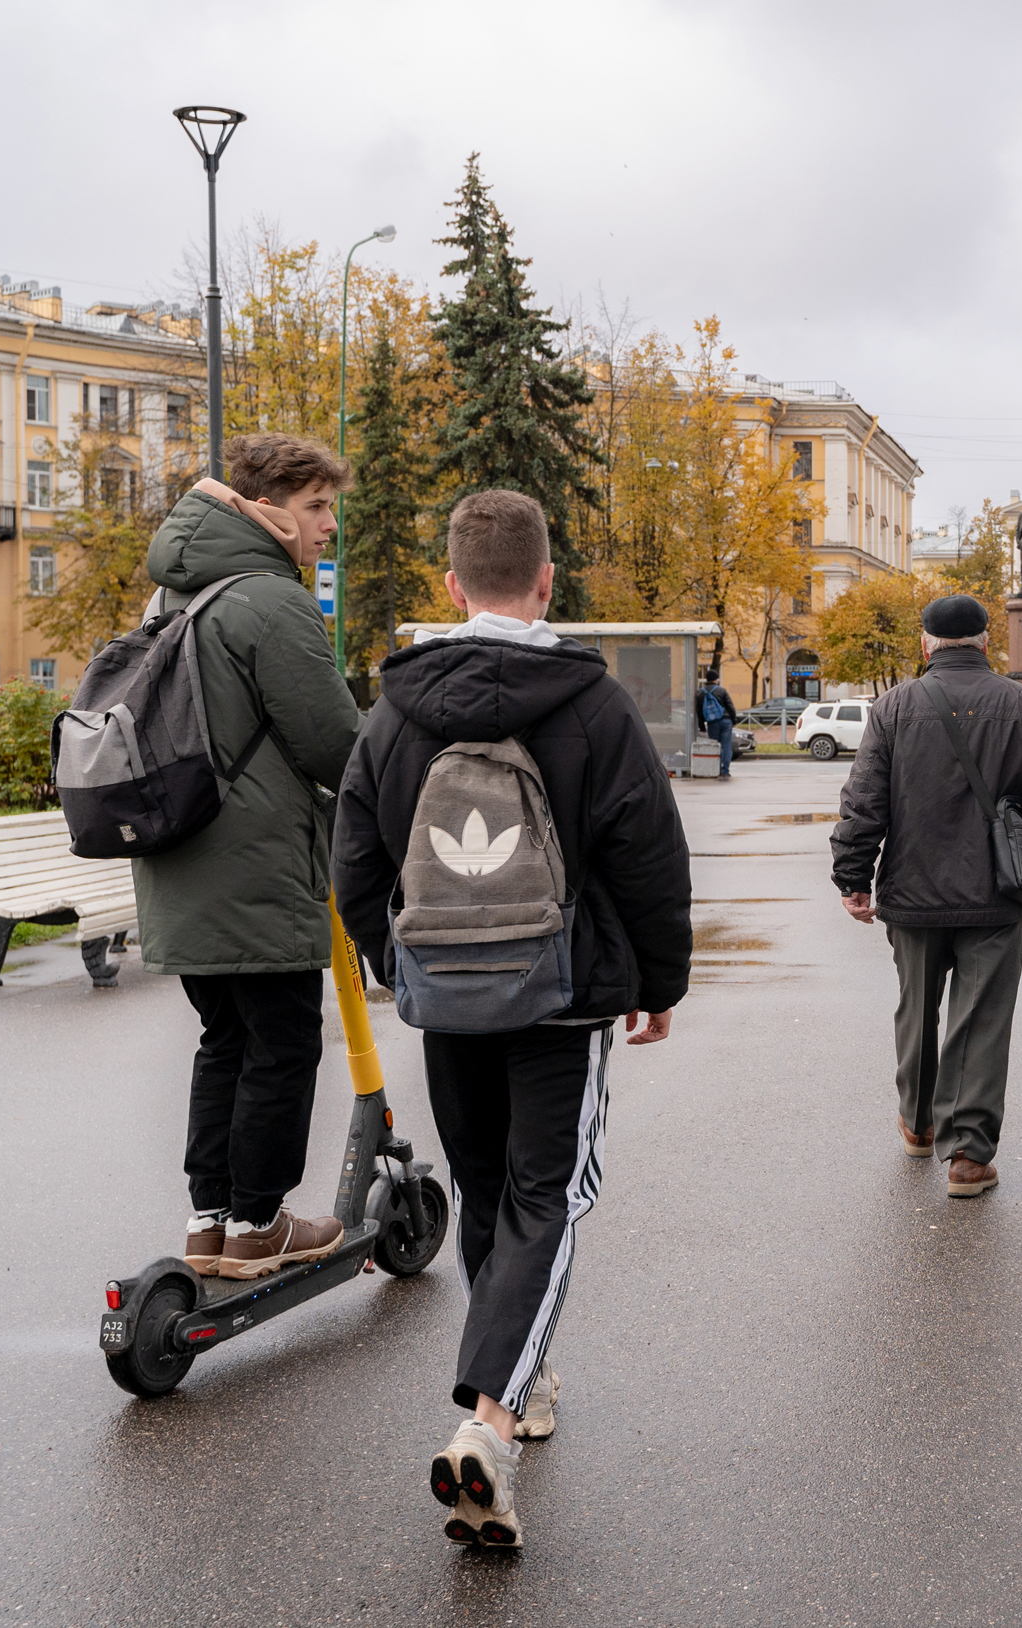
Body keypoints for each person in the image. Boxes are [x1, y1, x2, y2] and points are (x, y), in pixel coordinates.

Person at [332, 489, 692, 1549]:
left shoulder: (396, 708)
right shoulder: (592, 704)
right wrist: (655, 980)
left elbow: (354, 857)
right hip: (561, 992)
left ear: (451, 585)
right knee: (550, 1191)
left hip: (445, 995)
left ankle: (517, 1387)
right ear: (547, 582)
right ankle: (489, 1416)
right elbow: (648, 854)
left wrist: (398, 959)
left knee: (486, 1183)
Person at [138, 434, 363, 1282]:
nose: (327, 526)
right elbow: (334, 743)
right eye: (315, 508)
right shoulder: (271, 601)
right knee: (280, 1044)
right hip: (258, 864)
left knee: (223, 1041)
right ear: (267, 512)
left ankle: (212, 1222)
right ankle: (261, 1223)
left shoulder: (173, 596)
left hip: (180, 858)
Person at [831, 594, 1022, 1197]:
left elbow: (863, 801)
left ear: (926, 644)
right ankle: (968, 1156)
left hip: (911, 893)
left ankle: (918, 1124)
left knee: (915, 1009)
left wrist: (852, 877)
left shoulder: (893, 707)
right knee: (981, 1021)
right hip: (998, 893)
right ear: (985, 642)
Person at [699, 670, 738, 778]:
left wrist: (702, 726)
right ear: (716, 679)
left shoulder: (700, 693)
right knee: (726, 746)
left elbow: (699, 711)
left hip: (712, 722)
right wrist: (734, 720)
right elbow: (730, 706)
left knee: (715, 746)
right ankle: (725, 771)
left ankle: (715, 769)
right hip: (726, 720)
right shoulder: (722, 690)